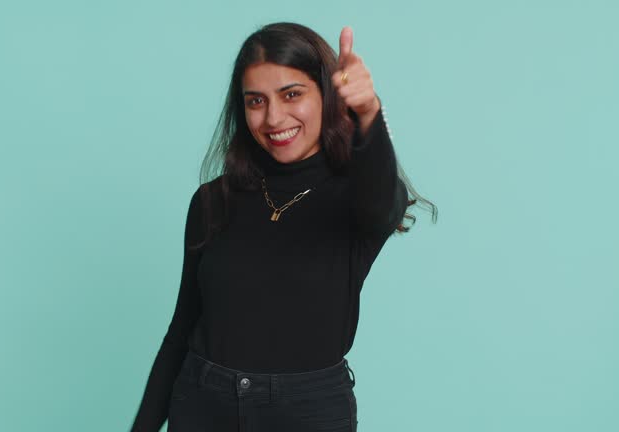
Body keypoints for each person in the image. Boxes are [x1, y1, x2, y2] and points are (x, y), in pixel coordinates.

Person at [129, 22, 437, 432]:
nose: (273, 117)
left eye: (292, 94)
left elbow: (381, 205)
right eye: (256, 100)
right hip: (202, 404)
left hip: (307, 413)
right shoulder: (212, 200)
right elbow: (182, 328)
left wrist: (367, 112)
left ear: (327, 96)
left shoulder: (357, 197)